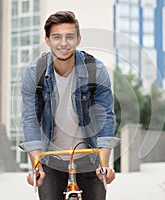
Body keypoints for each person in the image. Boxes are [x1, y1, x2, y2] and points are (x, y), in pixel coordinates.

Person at [21, 11, 119, 200]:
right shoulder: (34, 73)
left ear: (78, 39)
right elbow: (30, 120)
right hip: (51, 157)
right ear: (47, 40)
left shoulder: (95, 70)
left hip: (90, 156)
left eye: (70, 37)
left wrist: (103, 164)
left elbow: (106, 117)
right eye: (57, 37)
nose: (63, 43)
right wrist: (36, 167)